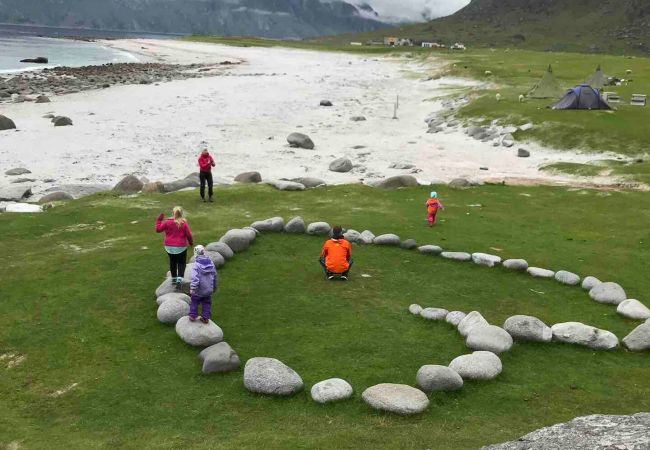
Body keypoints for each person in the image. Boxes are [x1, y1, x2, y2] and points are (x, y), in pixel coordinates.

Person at [156, 207, 194, 285]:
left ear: (172, 213)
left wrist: (159, 220)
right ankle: (179, 281)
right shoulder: (183, 223)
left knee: (172, 262)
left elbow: (158, 229)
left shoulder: (167, 222)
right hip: (181, 247)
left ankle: (174, 279)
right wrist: (190, 243)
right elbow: (188, 235)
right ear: (181, 213)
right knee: (181, 263)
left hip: (169, 246)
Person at [189, 245, 218, 323]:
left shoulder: (196, 265)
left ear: (195, 253)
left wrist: (192, 288)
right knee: (206, 303)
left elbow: (195, 278)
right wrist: (214, 287)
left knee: (194, 301)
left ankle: (192, 315)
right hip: (208, 289)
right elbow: (215, 276)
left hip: (199, 290)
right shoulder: (211, 263)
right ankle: (205, 317)